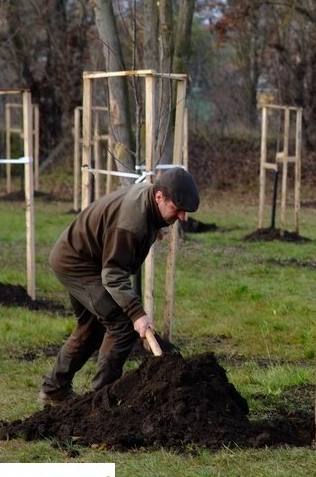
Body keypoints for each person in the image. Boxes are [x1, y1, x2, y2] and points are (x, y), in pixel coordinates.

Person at [38, 166, 200, 406]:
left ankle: (54, 388)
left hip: (92, 260)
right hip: (78, 263)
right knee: (122, 323)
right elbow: (113, 274)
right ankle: (102, 401)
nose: (183, 217)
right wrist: (137, 313)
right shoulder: (132, 222)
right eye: (178, 209)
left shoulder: (150, 204)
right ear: (159, 197)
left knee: (91, 327)